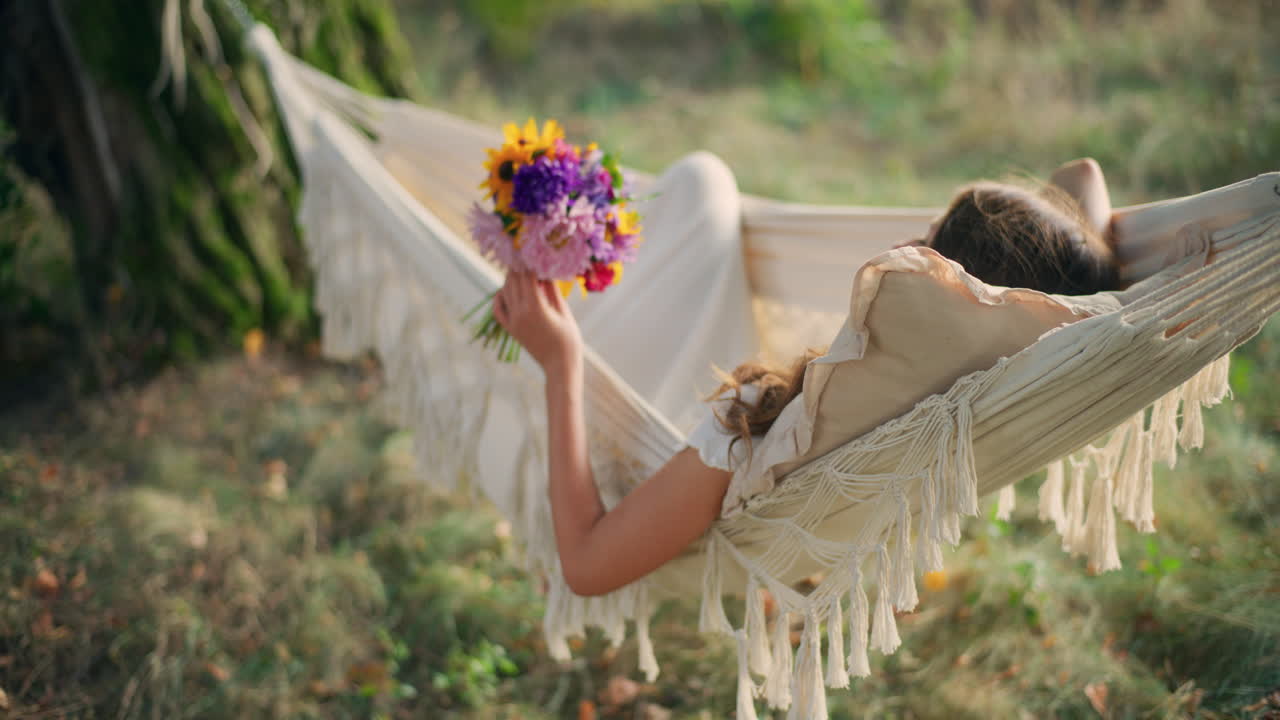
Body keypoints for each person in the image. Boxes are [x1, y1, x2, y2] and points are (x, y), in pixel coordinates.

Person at [490, 158, 1121, 598]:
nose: (903, 242)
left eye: (924, 244)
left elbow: (587, 564)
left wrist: (560, 359)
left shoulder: (758, 425)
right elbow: (1084, 178)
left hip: (632, 439)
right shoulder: (975, 375)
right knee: (702, 188)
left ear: (936, 294)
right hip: (696, 389)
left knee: (698, 184)